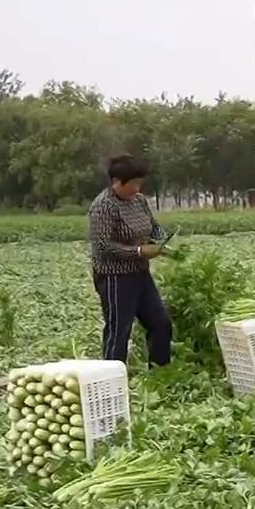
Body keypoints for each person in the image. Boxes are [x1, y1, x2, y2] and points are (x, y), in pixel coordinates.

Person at [88, 154, 174, 366]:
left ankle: (160, 372)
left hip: (140, 274)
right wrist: (139, 251)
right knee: (119, 330)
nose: (137, 188)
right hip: (115, 277)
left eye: (140, 183)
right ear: (117, 182)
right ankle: (110, 379)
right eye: (133, 183)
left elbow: (152, 226)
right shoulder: (103, 206)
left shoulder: (139, 201)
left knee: (160, 323)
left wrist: (163, 240)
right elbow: (103, 246)